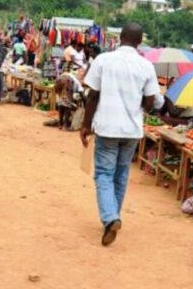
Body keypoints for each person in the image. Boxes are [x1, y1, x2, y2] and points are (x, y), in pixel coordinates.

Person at [80, 23, 165, 246]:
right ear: (139, 41)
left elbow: (92, 96)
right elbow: (149, 102)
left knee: (103, 174)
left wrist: (85, 125)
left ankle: (110, 218)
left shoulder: (103, 60)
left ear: (120, 37)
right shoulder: (146, 65)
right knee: (121, 174)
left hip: (107, 126)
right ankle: (112, 217)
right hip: (131, 129)